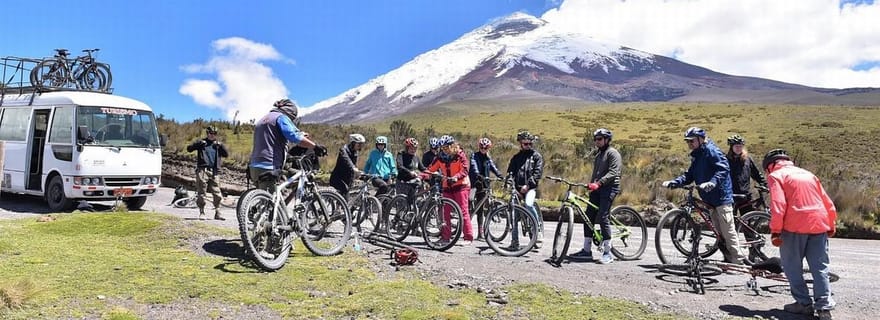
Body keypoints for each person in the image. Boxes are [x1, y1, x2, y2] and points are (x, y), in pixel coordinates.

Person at [764, 149, 836, 320]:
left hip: (794, 227)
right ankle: (824, 308)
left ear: (770, 166)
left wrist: (775, 231)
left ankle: (803, 304)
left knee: (792, 267)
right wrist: (831, 222)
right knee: (820, 268)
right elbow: (826, 201)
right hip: (819, 224)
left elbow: (778, 205)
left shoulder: (776, 176)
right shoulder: (808, 174)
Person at [662, 127, 742, 264]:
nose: (690, 144)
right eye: (688, 142)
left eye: (692, 141)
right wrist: (674, 183)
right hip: (709, 198)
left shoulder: (711, 151)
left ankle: (739, 261)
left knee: (727, 231)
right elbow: (689, 175)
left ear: (701, 139)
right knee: (719, 232)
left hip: (721, 197)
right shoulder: (697, 155)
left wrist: (712, 182)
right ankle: (728, 259)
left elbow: (723, 168)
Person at [249, 98, 326, 192]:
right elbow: (294, 136)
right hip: (269, 166)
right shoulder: (281, 118)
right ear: (290, 113)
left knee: (262, 200)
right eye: (292, 119)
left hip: (254, 166)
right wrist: (315, 147)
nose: (291, 121)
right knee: (270, 202)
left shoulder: (264, 119)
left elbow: (270, 141)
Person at [569, 128, 621, 264]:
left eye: (599, 139)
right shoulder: (598, 155)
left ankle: (608, 252)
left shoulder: (613, 153)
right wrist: (591, 185)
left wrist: (599, 183)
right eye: (596, 139)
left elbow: (614, 172)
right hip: (597, 188)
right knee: (588, 216)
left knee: (603, 216)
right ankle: (586, 250)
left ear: (607, 140)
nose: (597, 142)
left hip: (609, 188)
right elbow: (596, 174)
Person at [422, 135, 473, 245]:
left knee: (463, 212)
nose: (444, 150)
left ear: (452, 145)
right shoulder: (440, 157)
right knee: (445, 213)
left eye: (446, 148)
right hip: (447, 186)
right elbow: (431, 169)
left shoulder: (460, 155)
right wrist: (422, 176)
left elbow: (465, 170)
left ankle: (468, 237)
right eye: (442, 148)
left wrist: (456, 177)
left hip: (461, 186)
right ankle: (445, 237)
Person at [506, 130, 545, 248]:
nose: (528, 146)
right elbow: (510, 172)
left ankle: (537, 231)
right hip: (517, 189)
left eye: (530, 144)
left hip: (530, 188)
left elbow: (537, 173)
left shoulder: (536, 156)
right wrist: (509, 182)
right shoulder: (516, 158)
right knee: (513, 212)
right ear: (521, 144)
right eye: (525, 144)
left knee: (529, 204)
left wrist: (528, 185)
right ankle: (514, 242)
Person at [186, 126, 229, 220]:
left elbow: (226, 154)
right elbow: (189, 149)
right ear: (207, 133)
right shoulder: (202, 143)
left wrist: (221, 146)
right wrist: (198, 144)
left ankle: (218, 212)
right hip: (202, 171)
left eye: (214, 134)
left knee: (217, 193)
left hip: (214, 172)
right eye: (210, 133)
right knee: (202, 192)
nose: (212, 135)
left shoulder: (217, 145)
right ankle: (202, 212)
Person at [468, 137, 504, 240]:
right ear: (479, 147)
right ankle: (465, 227)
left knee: (480, 209)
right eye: (482, 147)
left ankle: (480, 233)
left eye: (486, 148)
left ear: (488, 148)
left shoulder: (488, 158)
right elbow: (474, 166)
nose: (483, 149)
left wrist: (500, 175)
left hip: (484, 185)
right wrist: (478, 174)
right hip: (474, 184)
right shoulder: (474, 156)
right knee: (468, 205)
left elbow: (494, 168)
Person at [725, 134, 768, 214]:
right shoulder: (726, 160)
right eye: (736, 146)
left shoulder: (747, 160)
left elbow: (756, 174)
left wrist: (764, 184)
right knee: (731, 221)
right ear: (731, 147)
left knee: (747, 220)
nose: (739, 148)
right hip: (731, 195)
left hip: (745, 195)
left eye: (740, 146)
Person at [329, 133, 366, 199]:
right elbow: (347, 160)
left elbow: (354, 165)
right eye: (359, 144)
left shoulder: (355, 152)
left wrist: (359, 173)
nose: (360, 146)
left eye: (361, 144)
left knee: (349, 194)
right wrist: (354, 168)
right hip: (337, 178)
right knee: (345, 191)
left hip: (348, 179)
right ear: (353, 143)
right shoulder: (343, 150)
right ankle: (342, 208)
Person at [396, 137, 426, 204]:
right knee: (403, 204)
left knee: (414, 202)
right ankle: (399, 214)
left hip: (412, 183)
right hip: (402, 183)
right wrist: (409, 172)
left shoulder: (416, 157)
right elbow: (399, 166)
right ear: (407, 148)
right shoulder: (401, 154)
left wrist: (432, 173)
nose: (413, 150)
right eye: (411, 148)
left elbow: (423, 168)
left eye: (415, 149)